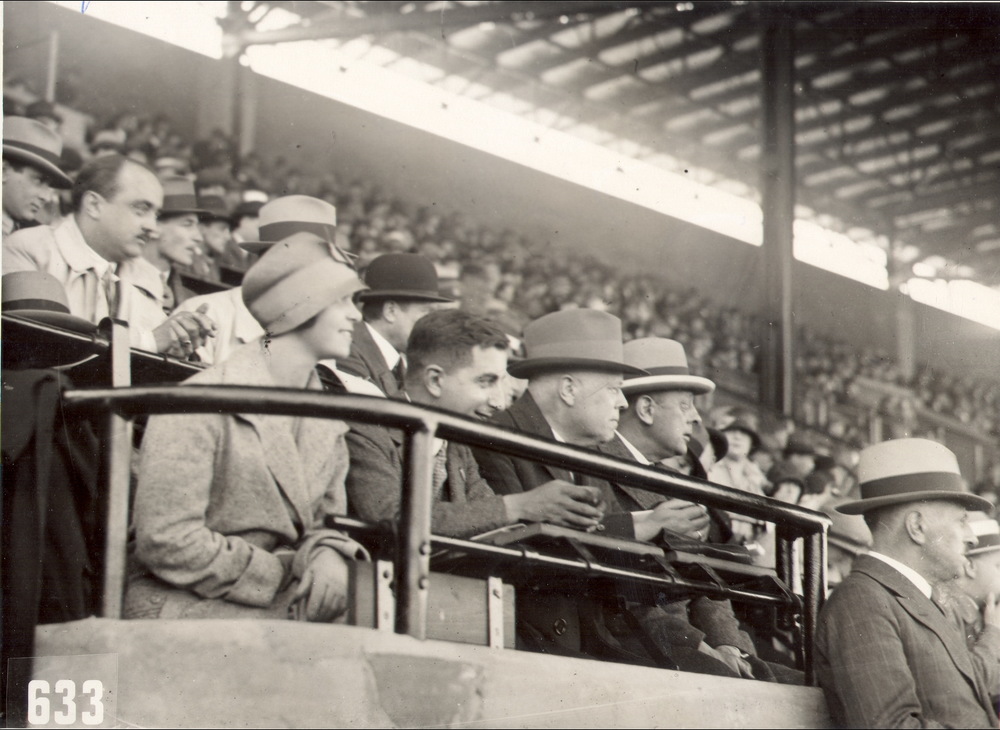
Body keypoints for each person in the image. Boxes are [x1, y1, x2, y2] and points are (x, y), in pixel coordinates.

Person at [125, 231, 370, 621]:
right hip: (180, 600)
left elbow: (325, 523)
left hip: (268, 600)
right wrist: (281, 572)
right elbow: (166, 540)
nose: (355, 315)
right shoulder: (198, 401)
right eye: (342, 300)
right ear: (301, 305)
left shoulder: (326, 417)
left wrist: (327, 554)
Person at [345, 309, 606, 538]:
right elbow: (390, 516)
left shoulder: (456, 443)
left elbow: (487, 513)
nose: (498, 401)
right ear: (435, 380)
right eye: (485, 382)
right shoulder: (367, 429)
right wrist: (520, 506)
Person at [814, 437, 1000, 728]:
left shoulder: (915, 597)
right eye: (961, 520)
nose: (971, 537)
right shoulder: (862, 602)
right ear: (916, 526)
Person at [3, 154, 215, 357]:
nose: (152, 226)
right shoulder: (29, 248)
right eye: (141, 209)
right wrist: (149, 342)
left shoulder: (140, 275)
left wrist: (176, 343)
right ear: (94, 205)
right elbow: (36, 347)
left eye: (156, 214)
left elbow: (159, 340)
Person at [338, 253, 454, 397]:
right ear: (390, 311)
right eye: (426, 312)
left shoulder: (400, 363)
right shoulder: (346, 353)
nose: (432, 325)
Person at [120, 176, 206, 314]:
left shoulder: (191, 300)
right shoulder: (115, 281)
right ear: (154, 226)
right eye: (188, 224)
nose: (199, 238)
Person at [2, 116, 72, 236]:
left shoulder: (36, 237)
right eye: (38, 181)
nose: (46, 197)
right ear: (3, 171)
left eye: (49, 185)